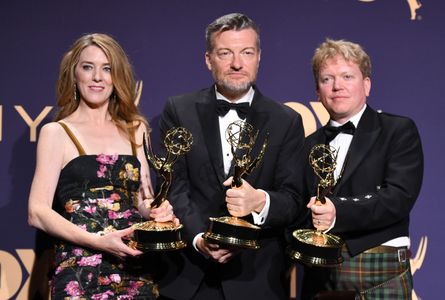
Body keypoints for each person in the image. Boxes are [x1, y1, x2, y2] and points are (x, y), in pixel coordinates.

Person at [157, 13, 305, 300]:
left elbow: (294, 199)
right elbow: (173, 186)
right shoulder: (179, 110)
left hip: (257, 280)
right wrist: (200, 239)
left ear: (259, 57)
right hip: (189, 277)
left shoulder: (286, 120)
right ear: (208, 59)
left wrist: (260, 201)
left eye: (246, 52)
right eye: (225, 53)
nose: (237, 63)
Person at [27, 33, 178, 299]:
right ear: (74, 75)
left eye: (107, 69)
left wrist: (157, 211)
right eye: (88, 67)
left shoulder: (136, 129)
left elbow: (143, 199)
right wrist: (99, 242)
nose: (97, 77)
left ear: (117, 76)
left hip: (135, 269)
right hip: (80, 271)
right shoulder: (57, 132)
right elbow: (37, 212)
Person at [297, 38, 423, 299]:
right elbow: (296, 205)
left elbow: (397, 198)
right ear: (317, 91)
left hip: (378, 272)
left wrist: (337, 212)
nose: (337, 86)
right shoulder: (306, 145)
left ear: (367, 84)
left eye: (347, 76)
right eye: (327, 79)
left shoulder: (397, 131)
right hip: (318, 276)